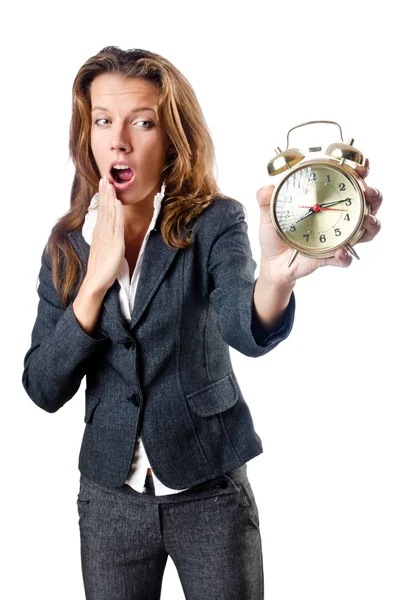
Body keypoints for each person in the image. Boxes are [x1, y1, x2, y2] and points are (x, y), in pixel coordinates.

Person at [21, 46, 382, 600]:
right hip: (109, 500)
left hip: (209, 489)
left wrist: (278, 278)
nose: (118, 139)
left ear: (170, 139)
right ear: (86, 134)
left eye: (142, 122)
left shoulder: (216, 221)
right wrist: (94, 284)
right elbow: (43, 388)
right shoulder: (67, 244)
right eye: (102, 121)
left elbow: (244, 325)